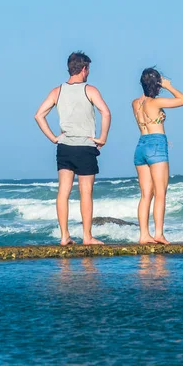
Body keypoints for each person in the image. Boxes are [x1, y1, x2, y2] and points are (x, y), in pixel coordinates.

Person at [34, 52, 111, 246]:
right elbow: (106, 112)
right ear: (84, 69)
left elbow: (39, 115)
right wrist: (102, 138)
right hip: (85, 146)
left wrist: (53, 138)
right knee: (86, 192)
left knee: (64, 191)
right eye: (88, 70)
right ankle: (87, 236)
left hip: (64, 147)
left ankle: (64, 236)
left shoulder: (57, 91)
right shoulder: (90, 89)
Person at [132, 68, 183, 245]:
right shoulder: (155, 103)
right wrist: (169, 86)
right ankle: (158, 234)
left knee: (145, 194)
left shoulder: (135, 103)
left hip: (141, 145)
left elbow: (150, 121)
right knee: (160, 193)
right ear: (156, 85)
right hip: (156, 145)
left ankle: (143, 235)